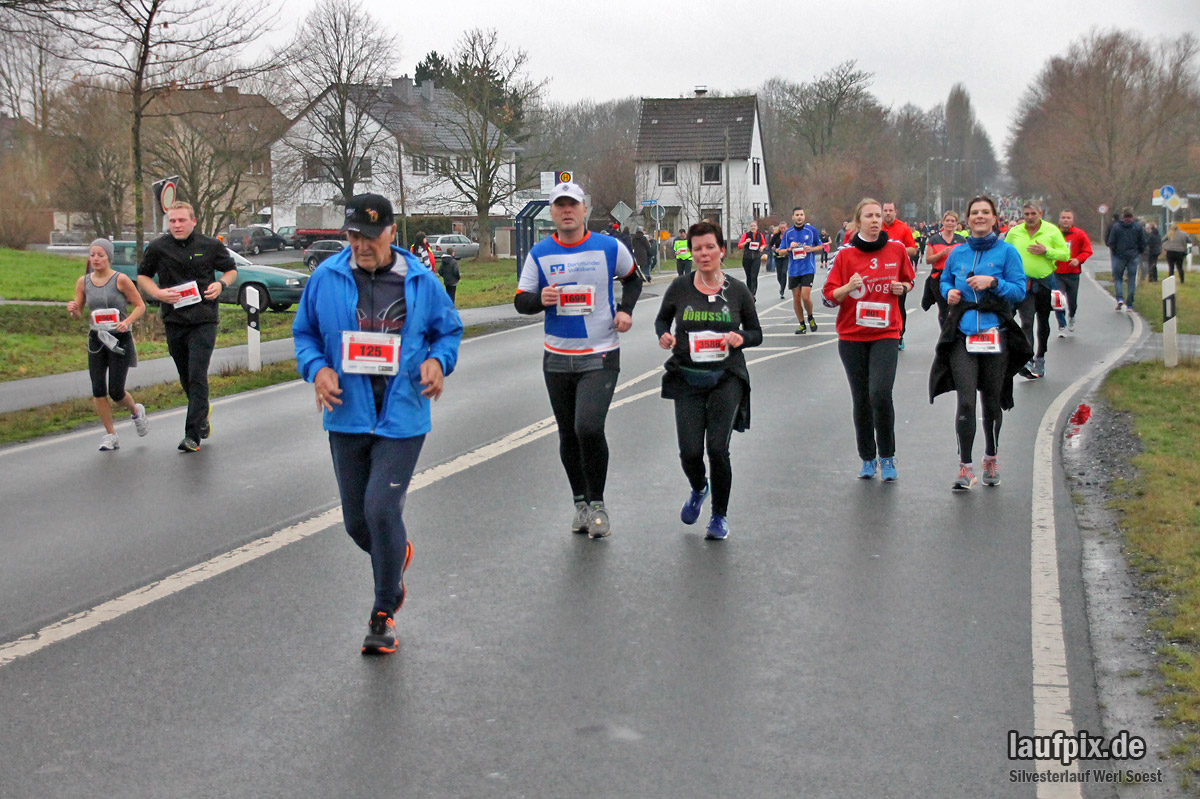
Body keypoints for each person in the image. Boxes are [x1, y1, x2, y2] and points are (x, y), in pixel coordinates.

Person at [293, 193, 462, 655]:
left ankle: (383, 613)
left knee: (382, 511)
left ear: (390, 232)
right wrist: (317, 369)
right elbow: (304, 333)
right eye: (352, 236)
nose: (360, 245)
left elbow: (448, 331)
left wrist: (437, 362)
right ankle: (396, 556)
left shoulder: (421, 280)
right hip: (347, 413)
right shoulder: (326, 278)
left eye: (369, 236)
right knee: (356, 523)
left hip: (402, 415)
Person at [514, 181, 643, 539]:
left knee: (588, 426)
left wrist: (626, 311)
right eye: (560, 206)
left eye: (573, 205)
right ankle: (580, 504)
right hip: (556, 356)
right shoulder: (539, 253)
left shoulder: (607, 247)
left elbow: (633, 280)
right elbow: (521, 301)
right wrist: (542, 298)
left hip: (600, 353)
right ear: (552, 213)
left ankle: (598, 504)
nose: (567, 211)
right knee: (568, 434)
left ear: (584, 209)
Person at [655, 221, 762, 540]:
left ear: (721, 251)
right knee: (689, 452)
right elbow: (662, 318)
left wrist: (740, 337)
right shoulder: (680, 287)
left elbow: (756, 333)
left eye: (709, 247)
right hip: (687, 377)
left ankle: (719, 516)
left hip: (726, 377)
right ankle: (699, 487)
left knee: (717, 448)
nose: (703, 254)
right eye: (697, 248)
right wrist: (663, 334)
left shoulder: (738, 290)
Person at [930, 195, 1030, 490]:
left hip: (994, 335)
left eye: (985, 212)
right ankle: (965, 467)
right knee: (965, 403)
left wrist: (994, 283)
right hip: (963, 336)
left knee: (990, 402)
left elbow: (1019, 291)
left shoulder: (1007, 252)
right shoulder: (958, 252)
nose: (980, 217)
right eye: (975, 213)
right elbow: (945, 280)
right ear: (967, 219)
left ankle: (991, 457)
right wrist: (949, 292)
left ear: (994, 217)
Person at [821, 198, 915, 482]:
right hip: (852, 335)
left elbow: (909, 280)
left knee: (880, 394)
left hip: (886, 332)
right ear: (858, 221)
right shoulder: (845, 255)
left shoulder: (897, 250)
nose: (875, 220)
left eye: (878, 216)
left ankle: (887, 455)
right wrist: (848, 287)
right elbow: (827, 298)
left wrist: (903, 287)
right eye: (869, 216)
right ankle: (867, 457)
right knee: (861, 398)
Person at [137, 201, 237, 452]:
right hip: (174, 319)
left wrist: (221, 285)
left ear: (193, 221)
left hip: (203, 318)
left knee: (196, 373)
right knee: (185, 375)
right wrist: (158, 294)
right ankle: (201, 411)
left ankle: (192, 435)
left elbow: (230, 270)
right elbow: (143, 276)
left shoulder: (210, 245)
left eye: (182, 220)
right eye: (173, 221)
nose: (177, 225)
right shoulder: (158, 247)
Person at [69, 238, 150, 451]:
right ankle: (110, 435)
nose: (96, 259)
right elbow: (78, 313)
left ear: (108, 258)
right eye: (92, 254)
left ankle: (135, 410)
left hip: (119, 338)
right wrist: (74, 309)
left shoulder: (120, 280)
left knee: (116, 391)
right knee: (98, 389)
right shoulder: (83, 282)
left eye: (100, 255)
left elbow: (140, 306)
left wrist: (127, 322)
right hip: (97, 339)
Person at [1004, 201, 1069, 379]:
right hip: (1022, 283)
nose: (1030, 217)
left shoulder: (1051, 231)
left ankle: (1040, 356)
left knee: (1043, 322)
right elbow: (1004, 252)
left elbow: (1065, 254)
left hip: (1045, 282)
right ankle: (1028, 358)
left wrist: (1046, 251)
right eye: (1026, 214)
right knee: (1026, 321)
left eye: (1033, 214)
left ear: (1040, 213)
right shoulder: (1015, 232)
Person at [881, 202, 918, 351]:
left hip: (898, 273)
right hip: (879, 273)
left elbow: (913, 250)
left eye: (890, 210)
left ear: (895, 212)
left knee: (898, 305)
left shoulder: (903, 228)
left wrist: (896, 250)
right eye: (885, 210)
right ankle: (882, 333)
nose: (888, 213)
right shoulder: (876, 226)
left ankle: (900, 334)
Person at [921, 211, 967, 327]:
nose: (950, 223)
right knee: (944, 307)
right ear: (943, 222)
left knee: (956, 306)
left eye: (952, 221)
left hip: (956, 277)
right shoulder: (934, 239)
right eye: (947, 221)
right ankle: (945, 332)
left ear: (956, 224)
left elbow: (966, 259)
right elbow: (928, 260)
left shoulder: (961, 240)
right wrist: (941, 254)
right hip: (938, 277)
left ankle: (955, 330)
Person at [780, 207, 822, 334]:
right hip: (793, 270)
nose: (799, 217)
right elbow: (781, 252)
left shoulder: (811, 230)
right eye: (797, 215)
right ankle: (802, 324)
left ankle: (810, 316)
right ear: (793, 217)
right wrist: (789, 248)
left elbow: (821, 246)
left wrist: (811, 249)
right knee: (796, 298)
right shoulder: (788, 233)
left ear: (804, 217)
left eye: (801, 215)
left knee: (805, 296)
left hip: (808, 268)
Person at [1053, 210, 1093, 335]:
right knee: (1058, 299)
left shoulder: (1080, 234)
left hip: (1073, 273)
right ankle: (1061, 324)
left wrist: (1078, 259)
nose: (1065, 220)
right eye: (1063, 217)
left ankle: (1072, 316)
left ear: (1072, 220)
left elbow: (1087, 251)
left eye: (1068, 218)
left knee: (1072, 301)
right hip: (1056, 272)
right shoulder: (1053, 233)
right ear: (1059, 219)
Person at [1105, 207, 1146, 311]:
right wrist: (1138, 252)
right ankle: (1130, 304)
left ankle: (1119, 298)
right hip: (1133, 256)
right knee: (1131, 279)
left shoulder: (1117, 227)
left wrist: (1114, 252)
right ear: (1132, 215)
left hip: (1119, 256)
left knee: (1118, 278)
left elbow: (1111, 242)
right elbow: (1143, 242)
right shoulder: (1138, 227)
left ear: (1122, 215)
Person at [736, 221, 767, 298]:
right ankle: (749, 293)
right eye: (751, 226)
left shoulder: (760, 235)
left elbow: (764, 244)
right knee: (749, 277)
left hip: (756, 258)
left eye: (754, 226)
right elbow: (740, 246)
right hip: (747, 258)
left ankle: (753, 293)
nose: (753, 227)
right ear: (750, 227)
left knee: (754, 276)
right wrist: (746, 242)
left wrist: (762, 248)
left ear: (757, 227)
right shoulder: (746, 235)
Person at [770, 223, 788, 298]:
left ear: (786, 228)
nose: (783, 230)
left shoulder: (788, 236)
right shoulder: (776, 236)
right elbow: (771, 245)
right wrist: (775, 249)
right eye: (781, 228)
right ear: (779, 228)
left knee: (784, 272)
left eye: (784, 228)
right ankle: (781, 284)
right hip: (777, 257)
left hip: (786, 257)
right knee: (779, 275)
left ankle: (782, 289)